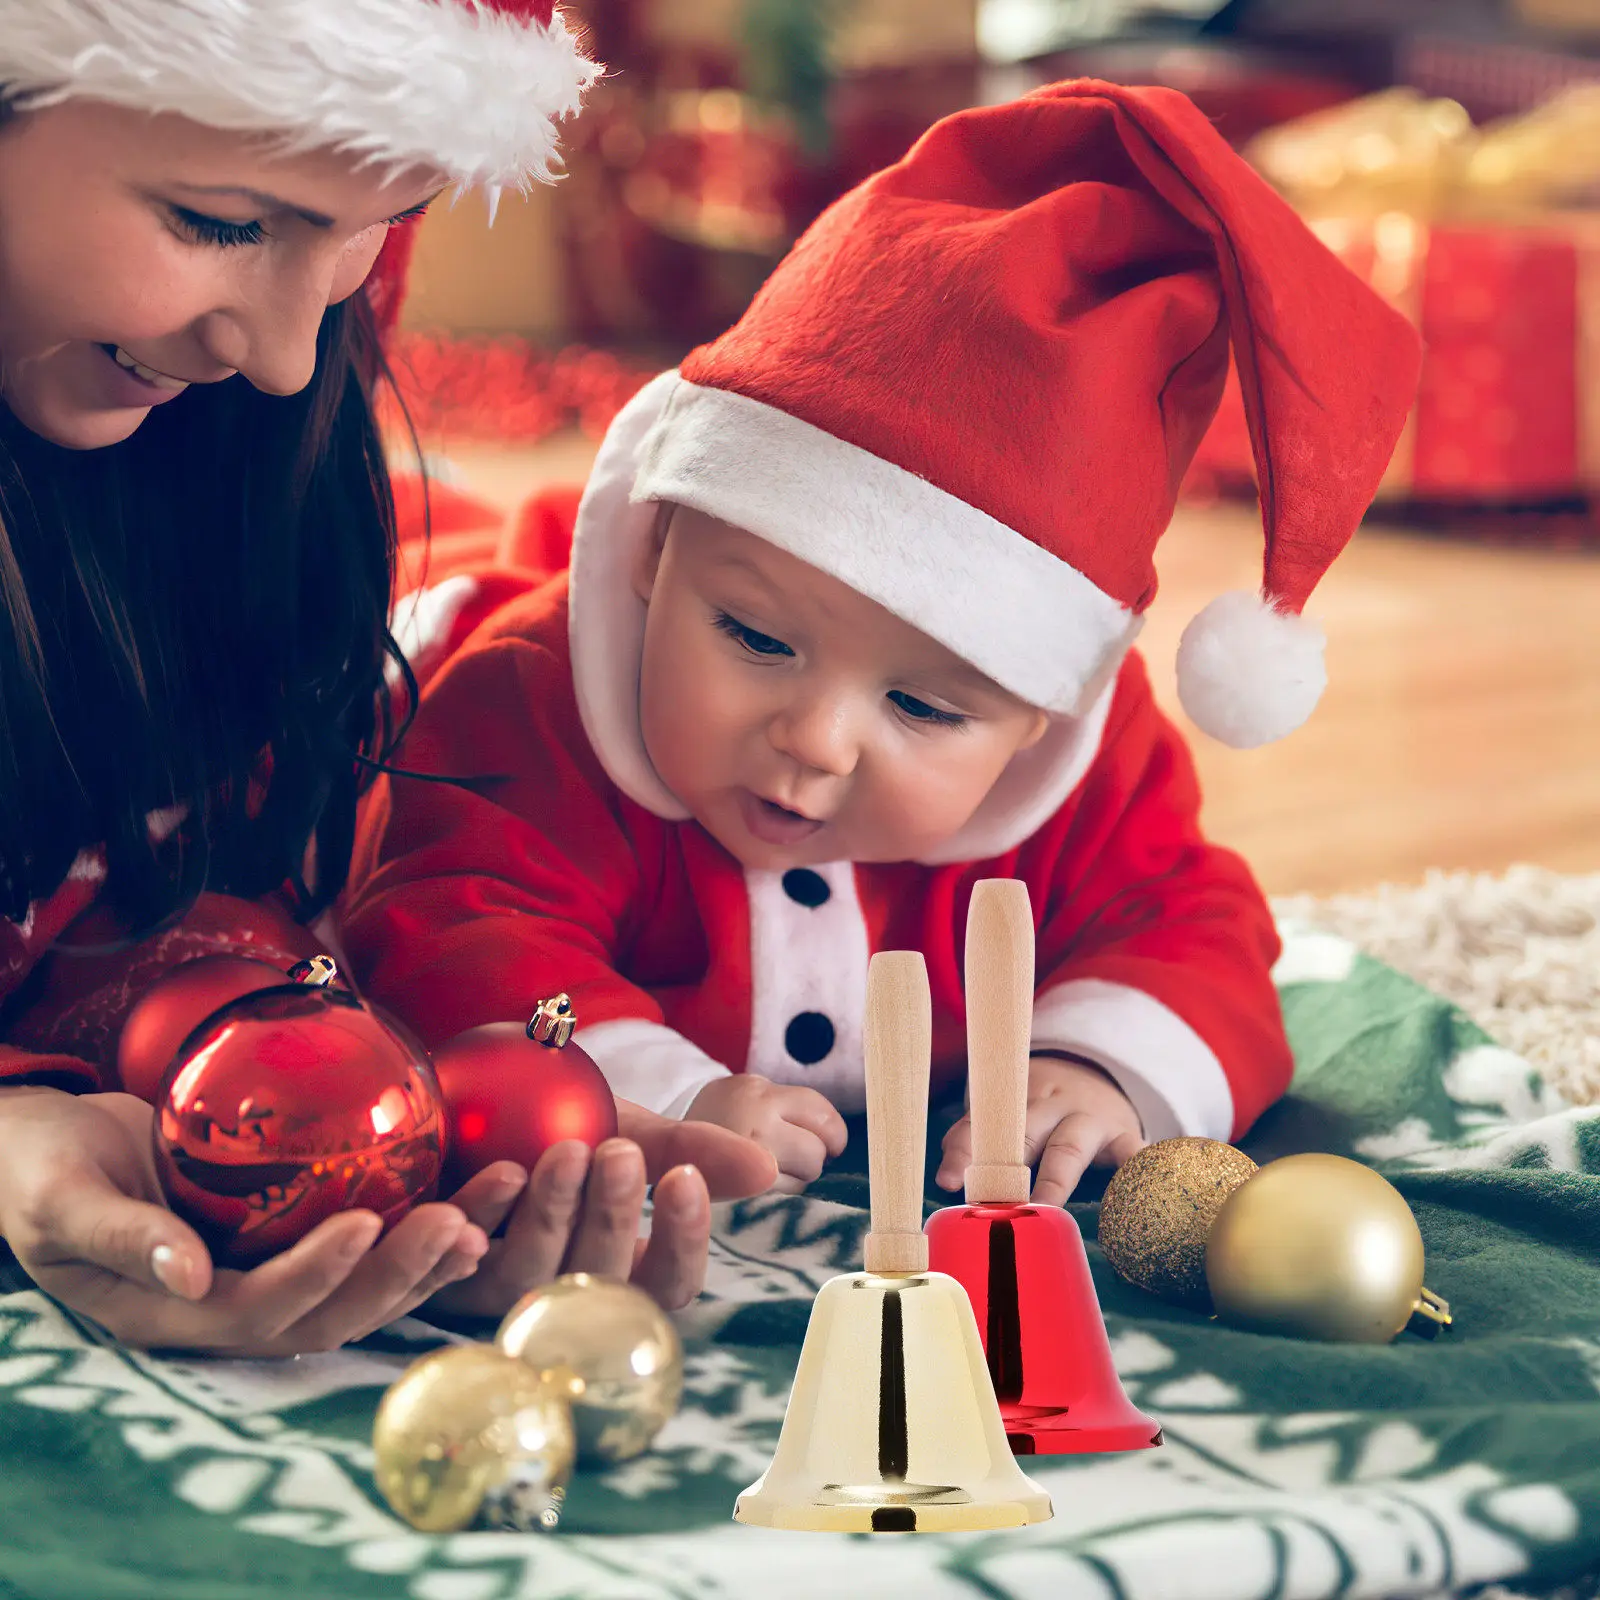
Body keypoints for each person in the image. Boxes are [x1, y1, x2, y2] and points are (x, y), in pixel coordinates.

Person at [340, 80, 1425, 1205]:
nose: (812, 740)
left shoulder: (1088, 768)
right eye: (756, 635)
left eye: (921, 708)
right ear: (657, 550)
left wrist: (1102, 1064)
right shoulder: (533, 700)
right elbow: (449, 926)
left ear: (1037, 721)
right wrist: (652, 1087)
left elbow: (1194, 924)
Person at [0, 0, 774, 1359]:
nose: (292, 359)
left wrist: (351, 1108)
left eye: (373, 226)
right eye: (224, 222)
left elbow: (154, 864)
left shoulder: (218, 458)